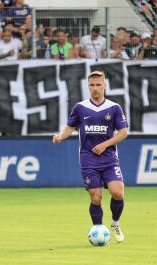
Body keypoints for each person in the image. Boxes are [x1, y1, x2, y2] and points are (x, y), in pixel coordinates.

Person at [52, 70, 128, 243]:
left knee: (117, 192)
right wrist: (60, 137)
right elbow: (70, 127)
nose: (95, 88)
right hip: (88, 158)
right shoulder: (80, 107)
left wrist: (105, 144)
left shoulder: (114, 107)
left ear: (104, 85)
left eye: (98, 84)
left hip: (109, 157)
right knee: (96, 197)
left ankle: (115, 224)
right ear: (88, 86)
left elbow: (123, 133)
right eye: (92, 85)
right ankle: (99, 231)